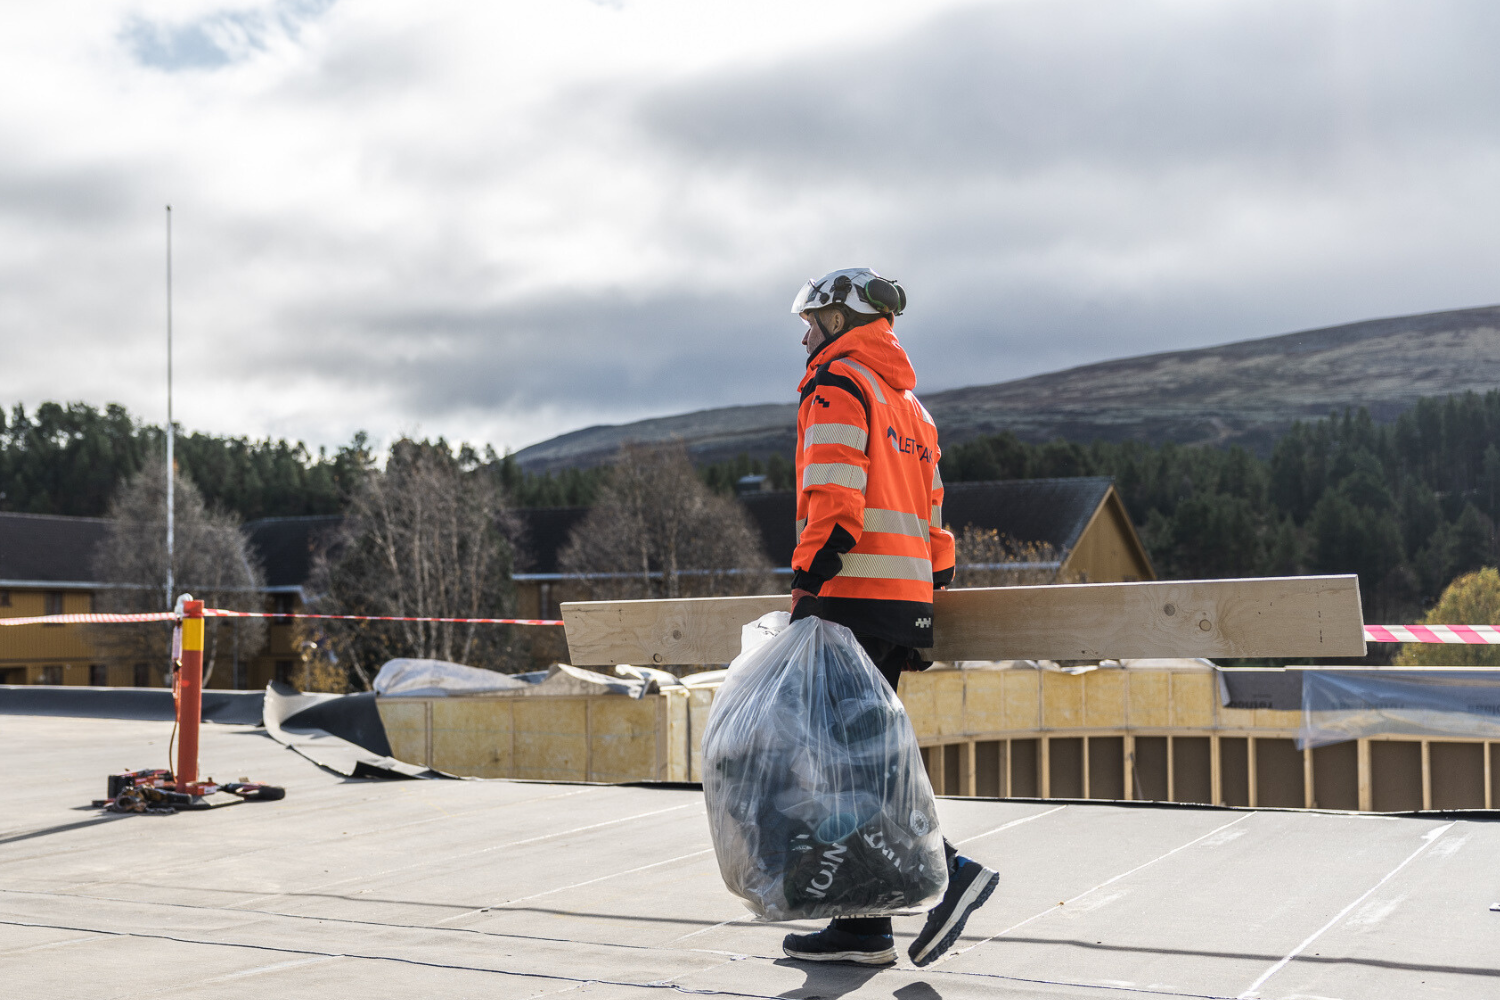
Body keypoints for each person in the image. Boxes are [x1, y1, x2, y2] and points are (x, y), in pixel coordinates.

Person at [780, 267, 1000, 968]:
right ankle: (863, 924)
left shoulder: (840, 385)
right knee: (862, 761)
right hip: (902, 603)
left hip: (848, 597)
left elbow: (834, 502)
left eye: (814, 321)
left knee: (849, 768)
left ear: (842, 322)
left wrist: (807, 594)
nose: (806, 334)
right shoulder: (913, 408)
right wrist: (922, 607)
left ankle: (950, 873)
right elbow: (936, 527)